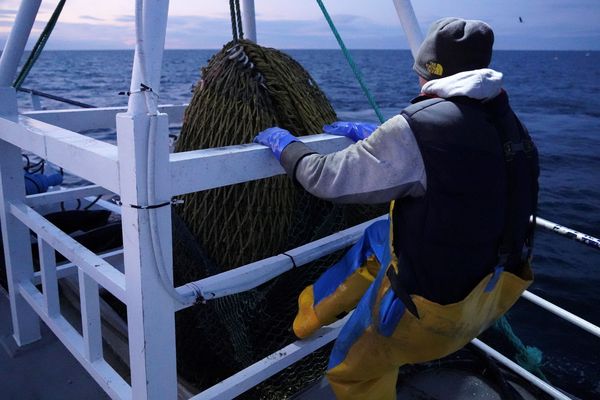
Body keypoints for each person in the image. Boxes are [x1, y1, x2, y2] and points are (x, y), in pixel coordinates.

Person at [254, 17, 539, 400]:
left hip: (427, 317)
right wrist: (378, 136)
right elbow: (453, 163)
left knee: (351, 373)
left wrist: (284, 146)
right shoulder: (510, 125)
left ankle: (324, 331)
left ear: (431, 72)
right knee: (377, 236)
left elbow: (324, 177)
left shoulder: (416, 129)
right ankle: (310, 314)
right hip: (490, 298)